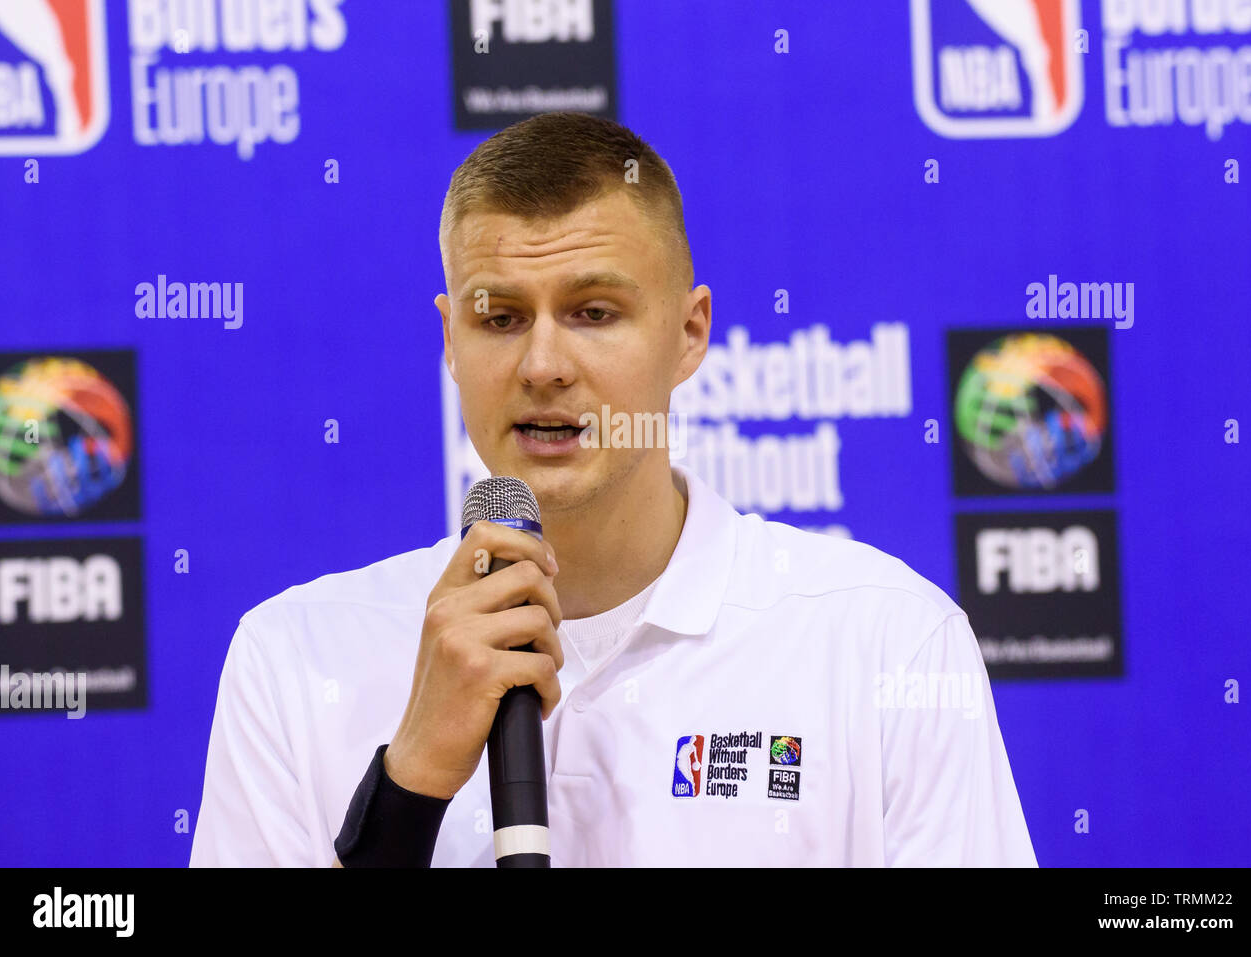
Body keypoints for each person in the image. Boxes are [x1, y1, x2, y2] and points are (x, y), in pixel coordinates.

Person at [190, 111, 1037, 867]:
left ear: (689, 332)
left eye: (594, 312)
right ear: (451, 340)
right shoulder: (293, 661)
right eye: (500, 317)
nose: (545, 366)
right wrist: (408, 787)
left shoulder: (888, 643)